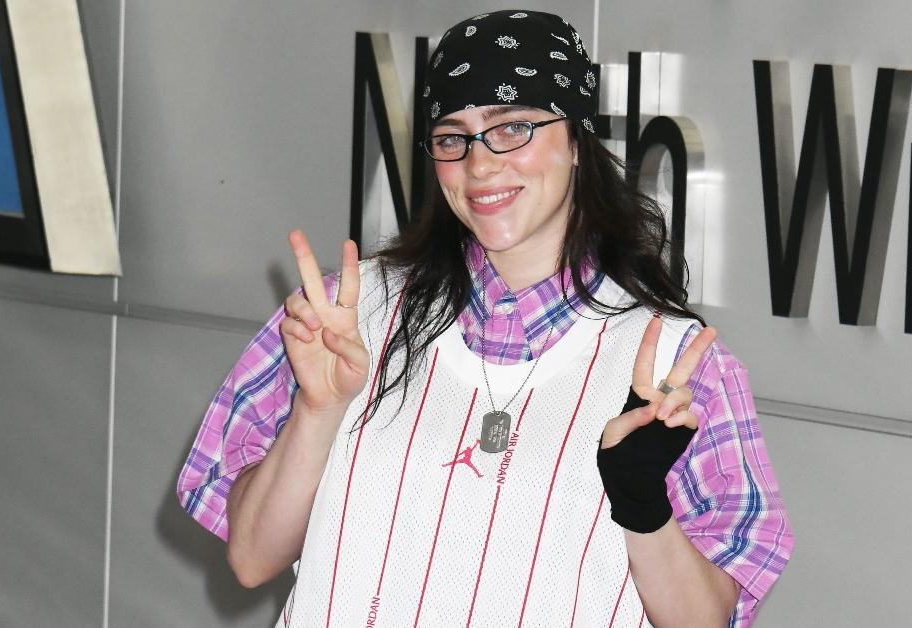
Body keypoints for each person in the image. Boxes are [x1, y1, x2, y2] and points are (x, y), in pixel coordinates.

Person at [177, 9, 792, 627]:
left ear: (578, 141)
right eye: (453, 137)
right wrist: (317, 410)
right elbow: (252, 559)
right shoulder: (342, 316)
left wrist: (643, 506)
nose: (480, 164)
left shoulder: (674, 367)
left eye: (512, 128)